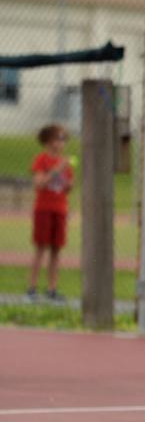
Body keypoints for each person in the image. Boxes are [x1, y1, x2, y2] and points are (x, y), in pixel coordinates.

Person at [27, 124, 74, 303]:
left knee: (56, 250)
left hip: (60, 209)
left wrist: (68, 184)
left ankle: (52, 289)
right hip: (44, 209)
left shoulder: (65, 164)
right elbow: (38, 183)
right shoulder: (42, 160)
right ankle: (32, 288)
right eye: (57, 139)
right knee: (40, 249)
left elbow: (67, 187)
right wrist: (56, 170)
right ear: (48, 141)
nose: (61, 143)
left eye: (63, 139)